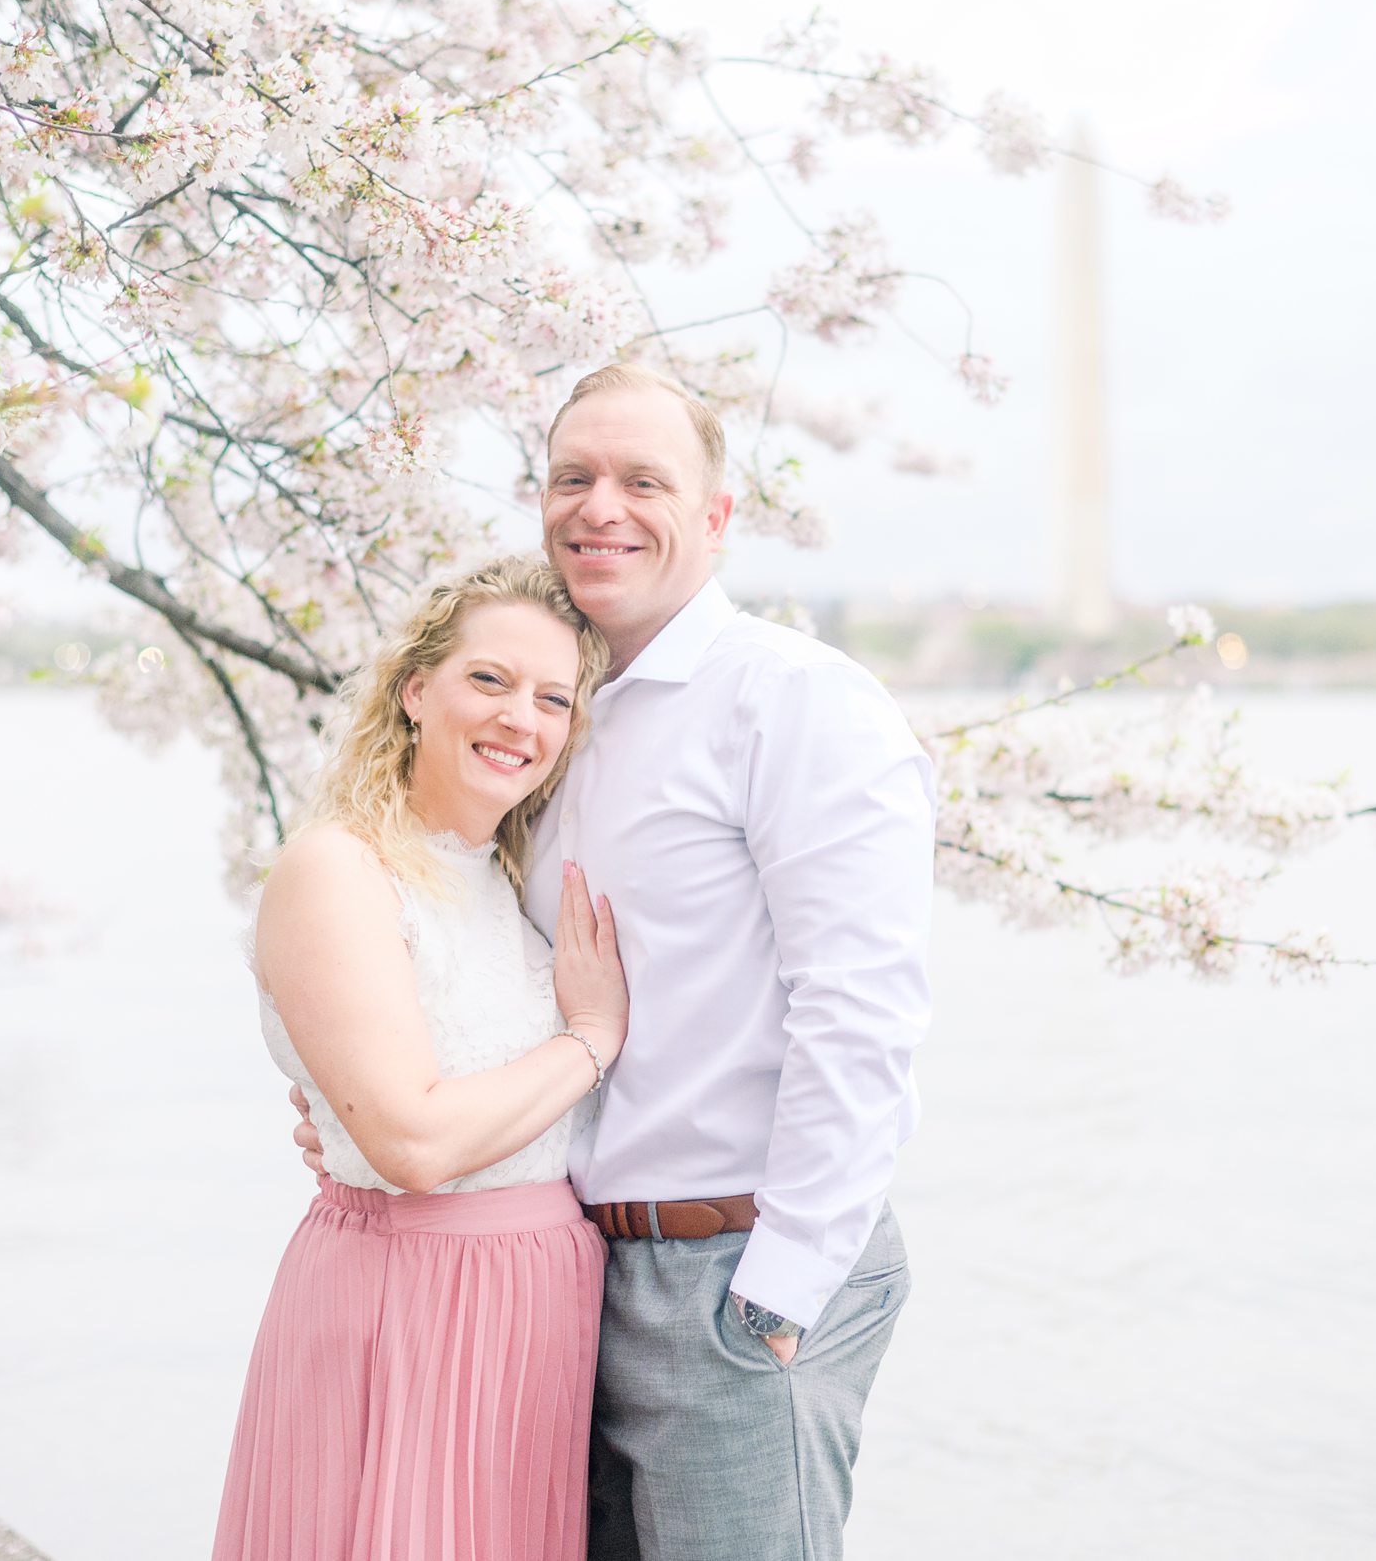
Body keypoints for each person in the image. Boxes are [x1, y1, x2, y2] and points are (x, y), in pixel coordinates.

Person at [297, 363, 938, 1560]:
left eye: (644, 480)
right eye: (573, 477)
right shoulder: (553, 720)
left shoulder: (795, 702)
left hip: (736, 1273)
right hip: (573, 1273)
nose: (603, 507)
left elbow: (861, 1014)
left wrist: (783, 1292)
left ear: (715, 518)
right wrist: (353, 1116)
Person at [211, 556, 631, 1561]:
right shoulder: (338, 868)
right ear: (414, 689)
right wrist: (592, 1041)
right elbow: (411, 1141)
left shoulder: (509, 883)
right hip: (406, 1304)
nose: (518, 720)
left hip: (536, 1313)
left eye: (551, 699)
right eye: (488, 680)